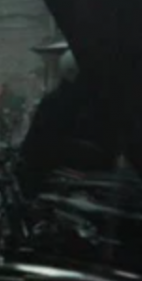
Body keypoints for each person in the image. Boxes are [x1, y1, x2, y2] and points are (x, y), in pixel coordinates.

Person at [16, 50, 118, 197]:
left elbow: (35, 145)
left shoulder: (55, 101)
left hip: (58, 176)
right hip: (97, 175)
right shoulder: (102, 100)